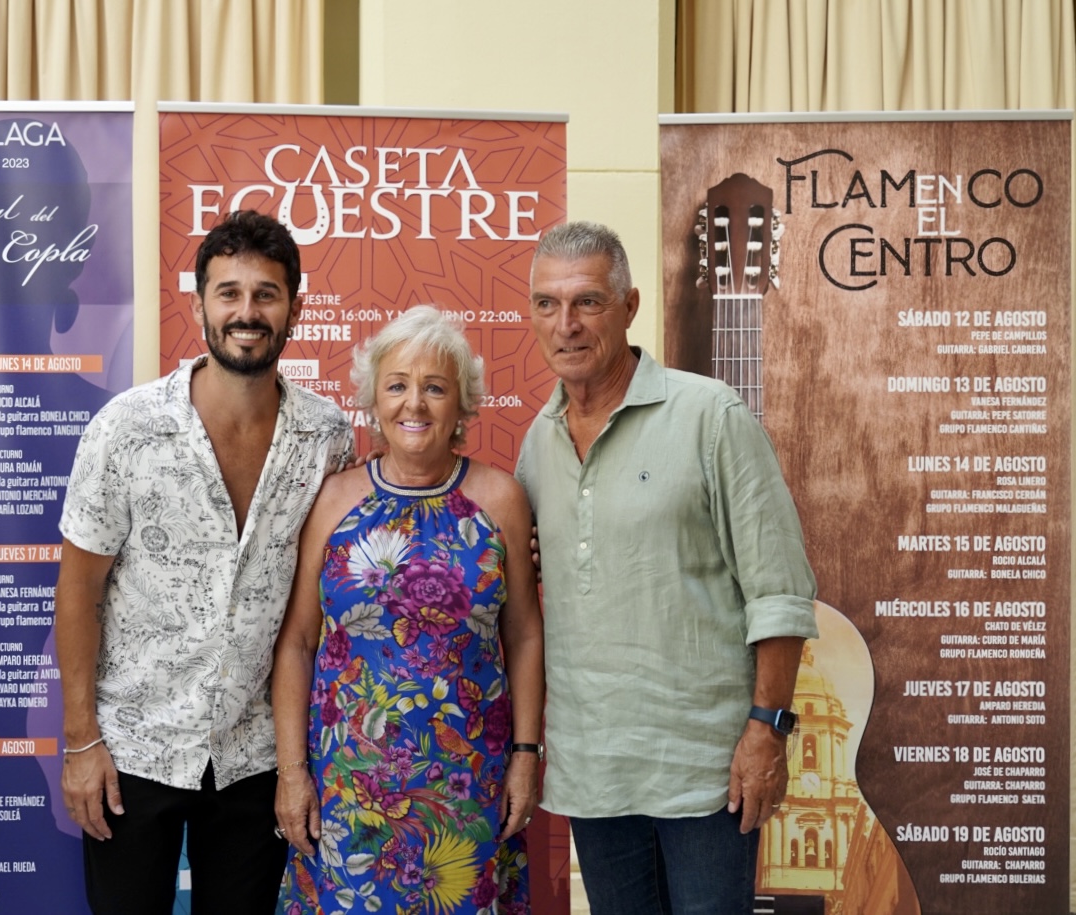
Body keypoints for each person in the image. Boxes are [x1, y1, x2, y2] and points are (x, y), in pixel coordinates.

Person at [54, 209, 353, 915]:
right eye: (229, 293)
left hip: (256, 755)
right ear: (199, 307)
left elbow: (347, 564)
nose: (247, 312)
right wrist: (80, 742)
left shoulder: (327, 438)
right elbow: (78, 590)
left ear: (295, 308)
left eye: (266, 294)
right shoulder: (126, 428)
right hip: (132, 747)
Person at [515, 222, 818, 915]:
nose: (565, 324)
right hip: (594, 768)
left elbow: (778, 589)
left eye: (587, 302)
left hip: (705, 769)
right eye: (546, 303)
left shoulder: (710, 415)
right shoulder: (538, 441)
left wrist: (766, 729)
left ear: (629, 305)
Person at [272, 305, 544, 915]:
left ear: (462, 404)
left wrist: (526, 757)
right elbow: (297, 642)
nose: (414, 403)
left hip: (469, 785)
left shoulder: (501, 499)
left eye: (435, 388)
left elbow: (526, 636)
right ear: (373, 400)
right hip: (349, 791)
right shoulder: (333, 500)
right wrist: (292, 773)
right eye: (396, 385)